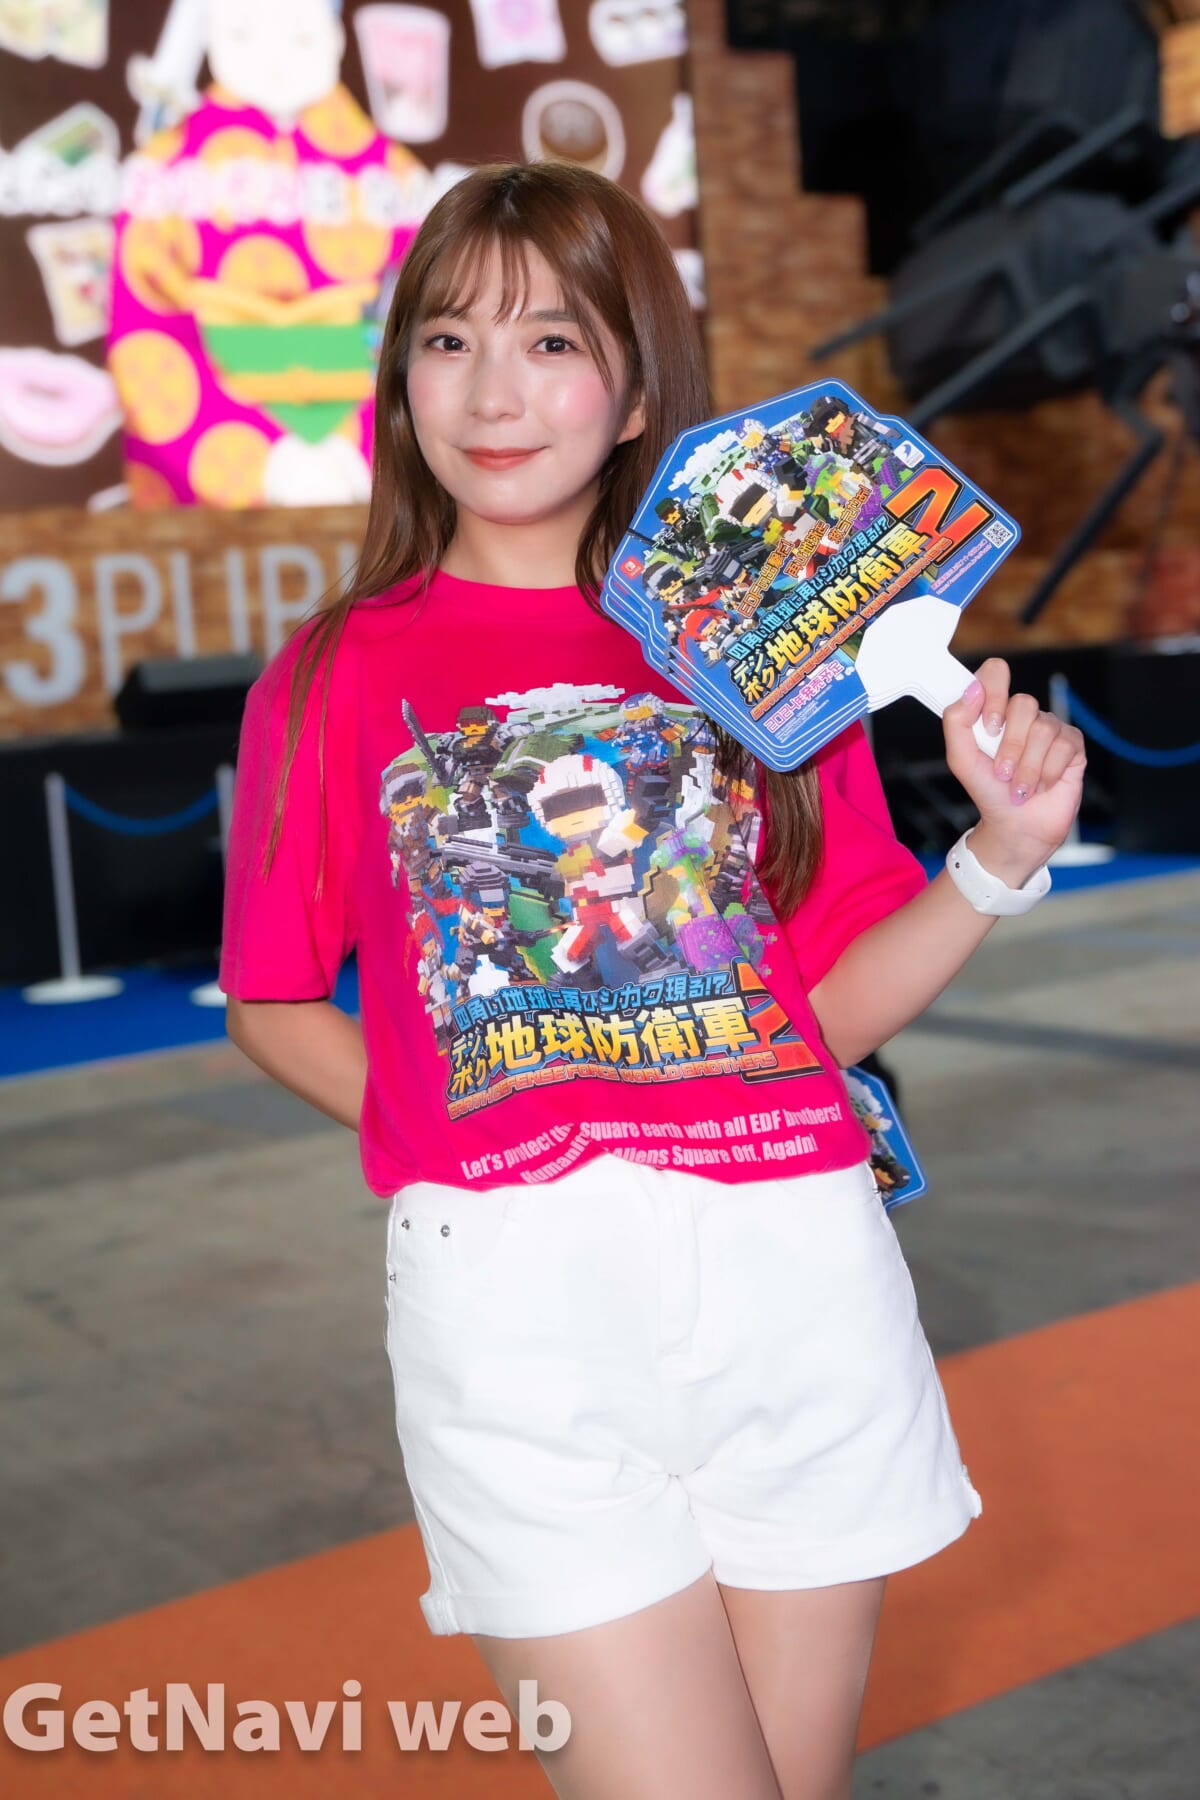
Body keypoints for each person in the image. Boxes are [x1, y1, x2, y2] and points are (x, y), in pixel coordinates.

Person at [218, 161, 1086, 1800]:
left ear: (634, 393)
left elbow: (817, 1017)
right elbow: (270, 997)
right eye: (448, 339)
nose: (492, 391)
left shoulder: (756, 647)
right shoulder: (334, 673)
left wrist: (1000, 853)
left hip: (797, 1278)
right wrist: (470, 1133)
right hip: (522, 1314)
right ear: (400, 380)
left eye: (552, 340)